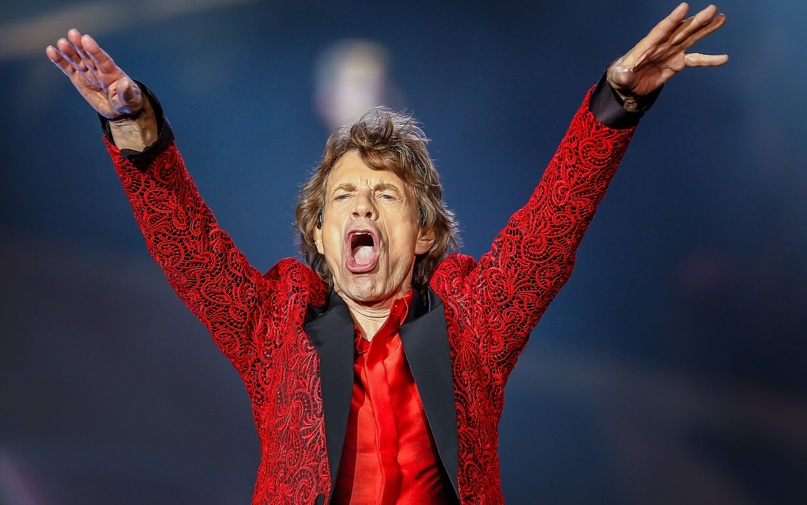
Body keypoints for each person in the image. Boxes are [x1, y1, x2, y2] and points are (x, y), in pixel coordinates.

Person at [46, 3, 727, 504]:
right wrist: (132, 124)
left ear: (424, 232)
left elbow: (553, 223)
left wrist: (617, 101)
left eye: (385, 194)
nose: (362, 207)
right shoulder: (276, 325)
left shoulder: (471, 320)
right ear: (319, 235)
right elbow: (188, 244)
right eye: (343, 196)